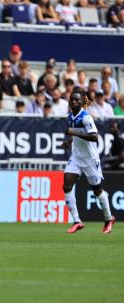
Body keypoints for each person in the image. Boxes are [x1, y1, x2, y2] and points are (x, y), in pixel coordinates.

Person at [61, 88, 115, 234]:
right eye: (71, 99)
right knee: (66, 185)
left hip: (90, 160)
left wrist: (73, 132)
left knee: (97, 191)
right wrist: (69, 141)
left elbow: (94, 136)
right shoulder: (70, 116)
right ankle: (77, 221)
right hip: (76, 157)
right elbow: (78, 134)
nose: (73, 101)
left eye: (76, 99)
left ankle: (108, 218)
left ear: (82, 101)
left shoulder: (86, 117)